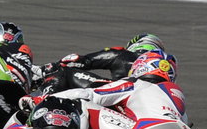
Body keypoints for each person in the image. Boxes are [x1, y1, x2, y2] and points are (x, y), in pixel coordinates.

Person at [39, 33, 173, 92]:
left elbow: (81, 61)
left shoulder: (123, 54)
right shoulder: (168, 67)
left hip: (119, 93)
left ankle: (44, 101)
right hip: (149, 105)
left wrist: (54, 66)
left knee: (62, 72)